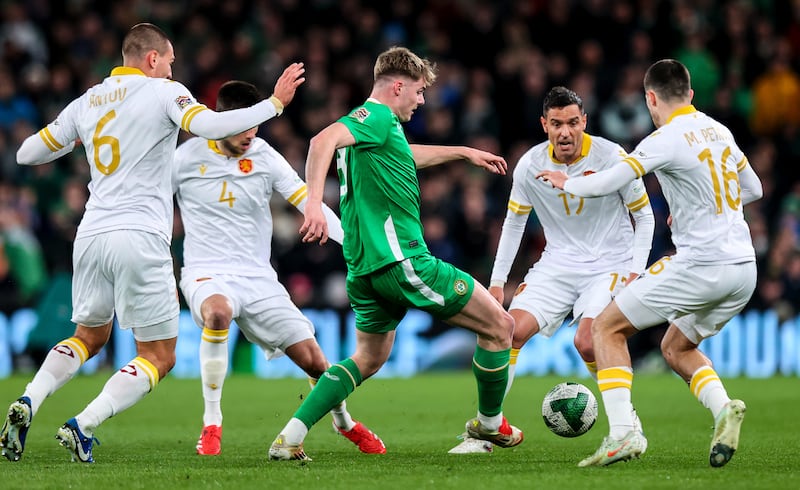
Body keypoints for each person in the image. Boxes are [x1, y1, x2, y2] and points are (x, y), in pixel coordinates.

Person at [0, 23, 305, 463]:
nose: (172, 68)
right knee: (159, 355)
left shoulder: (88, 100)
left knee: (87, 335)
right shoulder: (163, 92)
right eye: (170, 61)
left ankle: (30, 398)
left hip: (90, 236)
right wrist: (274, 105)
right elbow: (212, 124)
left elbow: (26, 153)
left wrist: (77, 141)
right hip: (139, 235)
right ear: (152, 59)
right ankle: (82, 424)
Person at [268, 46, 520, 461]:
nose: (421, 101)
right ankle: (490, 424)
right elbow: (320, 139)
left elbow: (405, 155)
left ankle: (289, 437)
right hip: (402, 261)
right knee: (500, 326)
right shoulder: (376, 117)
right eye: (419, 92)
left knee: (368, 357)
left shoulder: (379, 131)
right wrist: (313, 202)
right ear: (398, 86)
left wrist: (462, 152)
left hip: (364, 271)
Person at [537, 59, 763, 467]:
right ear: (690, 95)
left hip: (703, 264)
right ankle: (724, 408)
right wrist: (705, 208)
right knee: (676, 347)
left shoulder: (667, 137)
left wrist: (568, 181)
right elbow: (754, 188)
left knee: (606, 327)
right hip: (744, 268)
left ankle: (623, 433)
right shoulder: (721, 131)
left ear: (651, 98)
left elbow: (612, 179)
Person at [173, 80, 385, 456]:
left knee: (316, 362)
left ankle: (344, 423)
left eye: (257, 125)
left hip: (258, 278)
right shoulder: (184, 159)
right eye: (244, 125)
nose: (251, 134)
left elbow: (307, 200)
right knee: (218, 312)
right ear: (220, 121)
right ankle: (211, 423)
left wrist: (352, 244)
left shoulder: (265, 156)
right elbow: (142, 188)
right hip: (206, 270)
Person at [450, 86, 655, 454]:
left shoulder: (613, 157)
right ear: (544, 124)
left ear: (584, 122)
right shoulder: (530, 165)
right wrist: (497, 283)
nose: (566, 132)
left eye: (573, 123)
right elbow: (514, 224)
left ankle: (627, 423)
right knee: (507, 330)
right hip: (557, 264)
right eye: (557, 123)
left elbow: (644, 216)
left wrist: (634, 272)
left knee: (588, 342)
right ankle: (487, 429)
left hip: (610, 263)